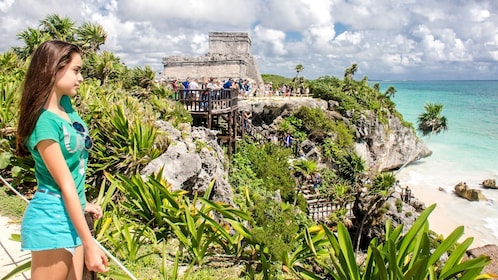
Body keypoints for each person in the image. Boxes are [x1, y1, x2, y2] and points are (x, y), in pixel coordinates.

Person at [15, 40, 108, 279]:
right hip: (52, 217)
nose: (81, 78)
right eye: (75, 70)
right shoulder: (44, 122)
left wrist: (83, 202)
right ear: (54, 69)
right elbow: (65, 183)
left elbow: (75, 167)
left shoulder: (66, 108)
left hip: (71, 213)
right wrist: (90, 244)